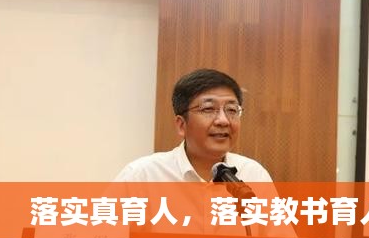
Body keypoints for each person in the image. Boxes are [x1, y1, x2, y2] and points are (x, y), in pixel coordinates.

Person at [115, 68, 273, 183]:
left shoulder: (254, 175)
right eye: (208, 109)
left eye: (231, 110)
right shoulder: (142, 176)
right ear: (181, 125)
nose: (223, 120)